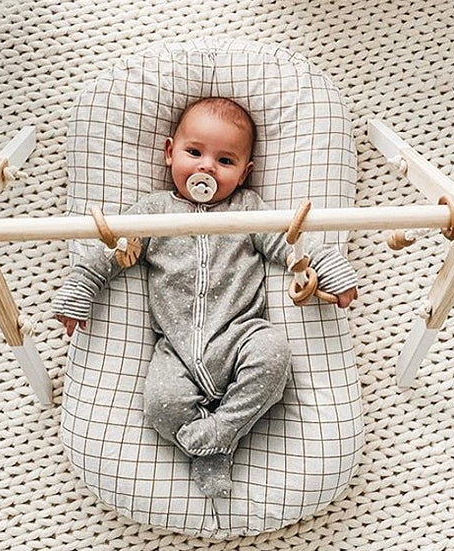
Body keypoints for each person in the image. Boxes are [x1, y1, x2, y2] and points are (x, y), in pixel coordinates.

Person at [53, 97, 358, 497]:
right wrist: (80, 288)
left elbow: (293, 242)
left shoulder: (247, 209)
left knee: (274, 357)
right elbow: (108, 253)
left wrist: (330, 272)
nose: (206, 168)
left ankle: (222, 429)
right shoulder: (153, 211)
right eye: (194, 152)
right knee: (160, 404)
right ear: (169, 152)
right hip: (175, 349)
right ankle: (212, 450)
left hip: (241, 334)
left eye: (225, 161)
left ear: (245, 173)